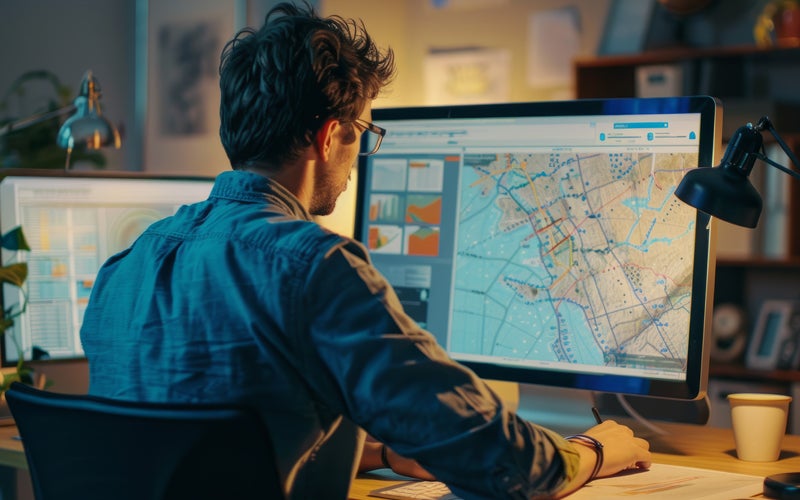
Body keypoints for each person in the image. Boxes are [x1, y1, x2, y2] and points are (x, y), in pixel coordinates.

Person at [80, 2, 651, 498]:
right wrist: (593, 450)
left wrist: (379, 452)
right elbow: (502, 461)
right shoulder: (315, 266)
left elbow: (208, 445)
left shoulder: (126, 267)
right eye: (363, 134)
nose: (358, 159)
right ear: (330, 136)